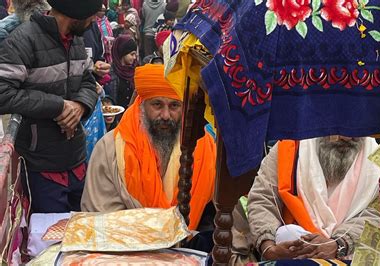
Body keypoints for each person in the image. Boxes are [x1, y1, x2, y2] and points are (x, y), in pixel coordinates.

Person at [81, 64, 217, 250]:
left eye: (174, 105)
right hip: (126, 253)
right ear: (141, 105)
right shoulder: (110, 149)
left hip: (187, 250)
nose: (166, 115)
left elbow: (212, 215)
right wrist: (161, 236)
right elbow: (102, 219)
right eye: (157, 105)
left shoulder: (203, 146)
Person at [0, 0, 101, 213]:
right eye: (92, 15)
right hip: (41, 166)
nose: (95, 20)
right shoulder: (22, 40)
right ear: (76, 14)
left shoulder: (76, 41)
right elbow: (3, 93)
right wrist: (58, 106)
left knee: (81, 232)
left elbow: (88, 81)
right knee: (49, 238)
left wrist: (80, 105)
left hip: (76, 159)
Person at [247, 136, 380, 260]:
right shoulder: (290, 146)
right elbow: (262, 199)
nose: (346, 137)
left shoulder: (379, 160)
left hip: (351, 252)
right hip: (295, 251)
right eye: (338, 128)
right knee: (287, 234)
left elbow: (378, 214)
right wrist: (268, 247)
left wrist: (339, 244)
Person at [104, 34, 138, 108]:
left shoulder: (135, 71)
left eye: (135, 54)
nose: (134, 57)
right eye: (132, 54)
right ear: (122, 53)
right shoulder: (109, 73)